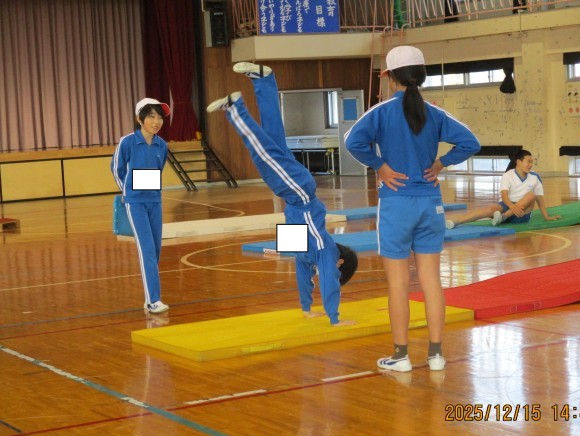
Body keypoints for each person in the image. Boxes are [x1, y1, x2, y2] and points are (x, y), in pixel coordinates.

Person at [344, 45, 481, 372]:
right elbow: (471, 142)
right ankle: (436, 355)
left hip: (396, 204)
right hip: (430, 204)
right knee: (431, 281)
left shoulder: (380, 112)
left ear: (390, 77)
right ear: (420, 75)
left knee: (398, 284)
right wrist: (441, 163)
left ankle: (401, 356)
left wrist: (380, 166)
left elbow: (352, 141)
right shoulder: (435, 113)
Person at [207, 62, 358, 327]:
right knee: (262, 154)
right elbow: (329, 282)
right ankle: (234, 109)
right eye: (337, 272)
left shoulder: (307, 255)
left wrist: (306, 308)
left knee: (272, 136)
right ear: (340, 261)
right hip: (299, 192)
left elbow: (303, 275)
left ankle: (263, 80)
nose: (326, 274)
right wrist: (334, 319)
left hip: (293, 195)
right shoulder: (325, 250)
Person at [111, 98, 171, 314]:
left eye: (160, 117)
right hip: (135, 203)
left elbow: (158, 169)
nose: (156, 122)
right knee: (147, 251)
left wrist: (150, 190)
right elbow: (116, 169)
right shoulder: (127, 142)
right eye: (151, 116)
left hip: (155, 201)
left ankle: (150, 298)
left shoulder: (162, 145)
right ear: (139, 119)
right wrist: (127, 192)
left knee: (155, 250)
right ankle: (153, 300)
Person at [445, 149, 561, 228]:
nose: (530, 165)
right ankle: (456, 221)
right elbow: (504, 196)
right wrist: (512, 207)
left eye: (532, 162)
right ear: (519, 162)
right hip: (507, 206)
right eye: (528, 162)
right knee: (489, 209)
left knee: (531, 195)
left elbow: (539, 199)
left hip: (522, 213)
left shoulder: (535, 177)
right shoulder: (508, 175)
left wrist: (547, 217)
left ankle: (504, 217)